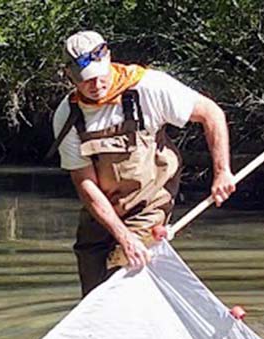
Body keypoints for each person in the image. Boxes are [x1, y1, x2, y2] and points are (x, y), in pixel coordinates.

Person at [52, 31, 238, 295]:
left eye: (99, 75)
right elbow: (85, 184)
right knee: (93, 289)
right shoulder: (67, 116)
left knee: (123, 272)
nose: (95, 85)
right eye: (86, 80)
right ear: (70, 76)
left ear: (109, 58)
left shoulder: (149, 87)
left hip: (150, 200)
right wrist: (121, 233)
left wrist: (222, 172)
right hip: (105, 205)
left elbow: (211, 114)